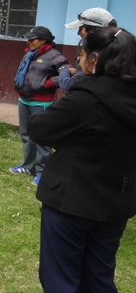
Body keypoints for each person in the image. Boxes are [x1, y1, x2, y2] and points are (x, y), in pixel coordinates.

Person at [28, 27, 136, 293]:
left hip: (71, 200)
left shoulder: (85, 99)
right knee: (99, 276)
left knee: (61, 278)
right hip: (117, 200)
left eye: (82, 55)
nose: (79, 60)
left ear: (95, 59)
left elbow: (40, 129)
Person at [10, 26, 67, 186]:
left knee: (41, 137)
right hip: (24, 100)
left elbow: (66, 73)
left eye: (32, 39)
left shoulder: (55, 56)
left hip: (41, 103)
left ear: (43, 41)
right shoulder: (30, 54)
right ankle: (28, 166)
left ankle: (42, 172)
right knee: (26, 134)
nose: (29, 41)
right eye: (28, 39)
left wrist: (46, 83)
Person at [59, 7, 117, 92]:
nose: (78, 33)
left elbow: (69, 85)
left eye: (80, 29)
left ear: (92, 31)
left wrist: (64, 70)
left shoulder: (96, 57)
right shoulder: (114, 49)